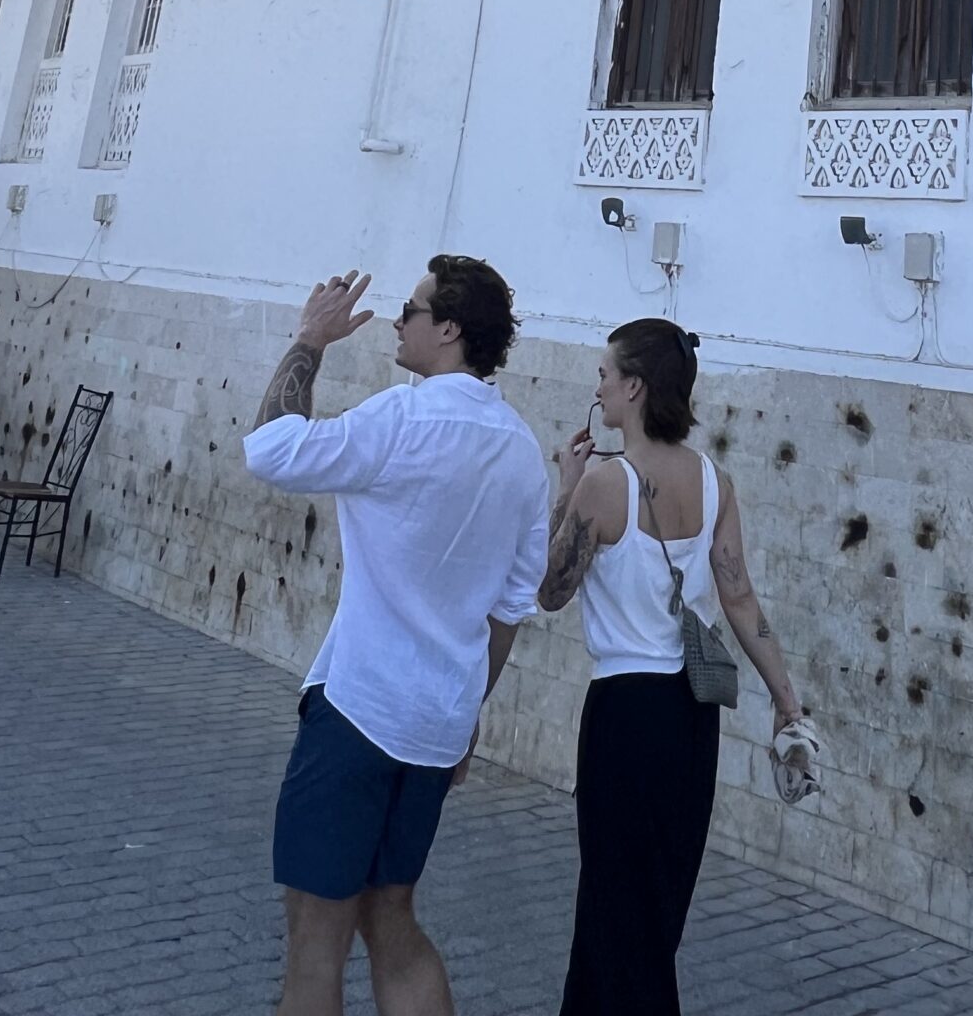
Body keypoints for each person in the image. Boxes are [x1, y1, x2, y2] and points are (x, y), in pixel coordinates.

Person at [245, 257, 549, 1016]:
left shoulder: (401, 418)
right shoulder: (521, 450)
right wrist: (468, 714)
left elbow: (270, 448)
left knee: (316, 937)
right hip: (438, 724)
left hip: (360, 709)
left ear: (448, 329)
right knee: (391, 917)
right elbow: (511, 607)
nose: (397, 321)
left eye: (411, 310)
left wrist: (310, 340)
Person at [539, 319, 802, 1016]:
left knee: (612, 906)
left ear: (634, 387)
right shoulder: (715, 481)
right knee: (657, 907)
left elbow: (551, 590)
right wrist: (787, 702)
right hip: (691, 715)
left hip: (625, 713)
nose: (598, 386)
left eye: (605, 374)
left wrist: (566, 488)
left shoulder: (605, 485)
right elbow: (739, 598)